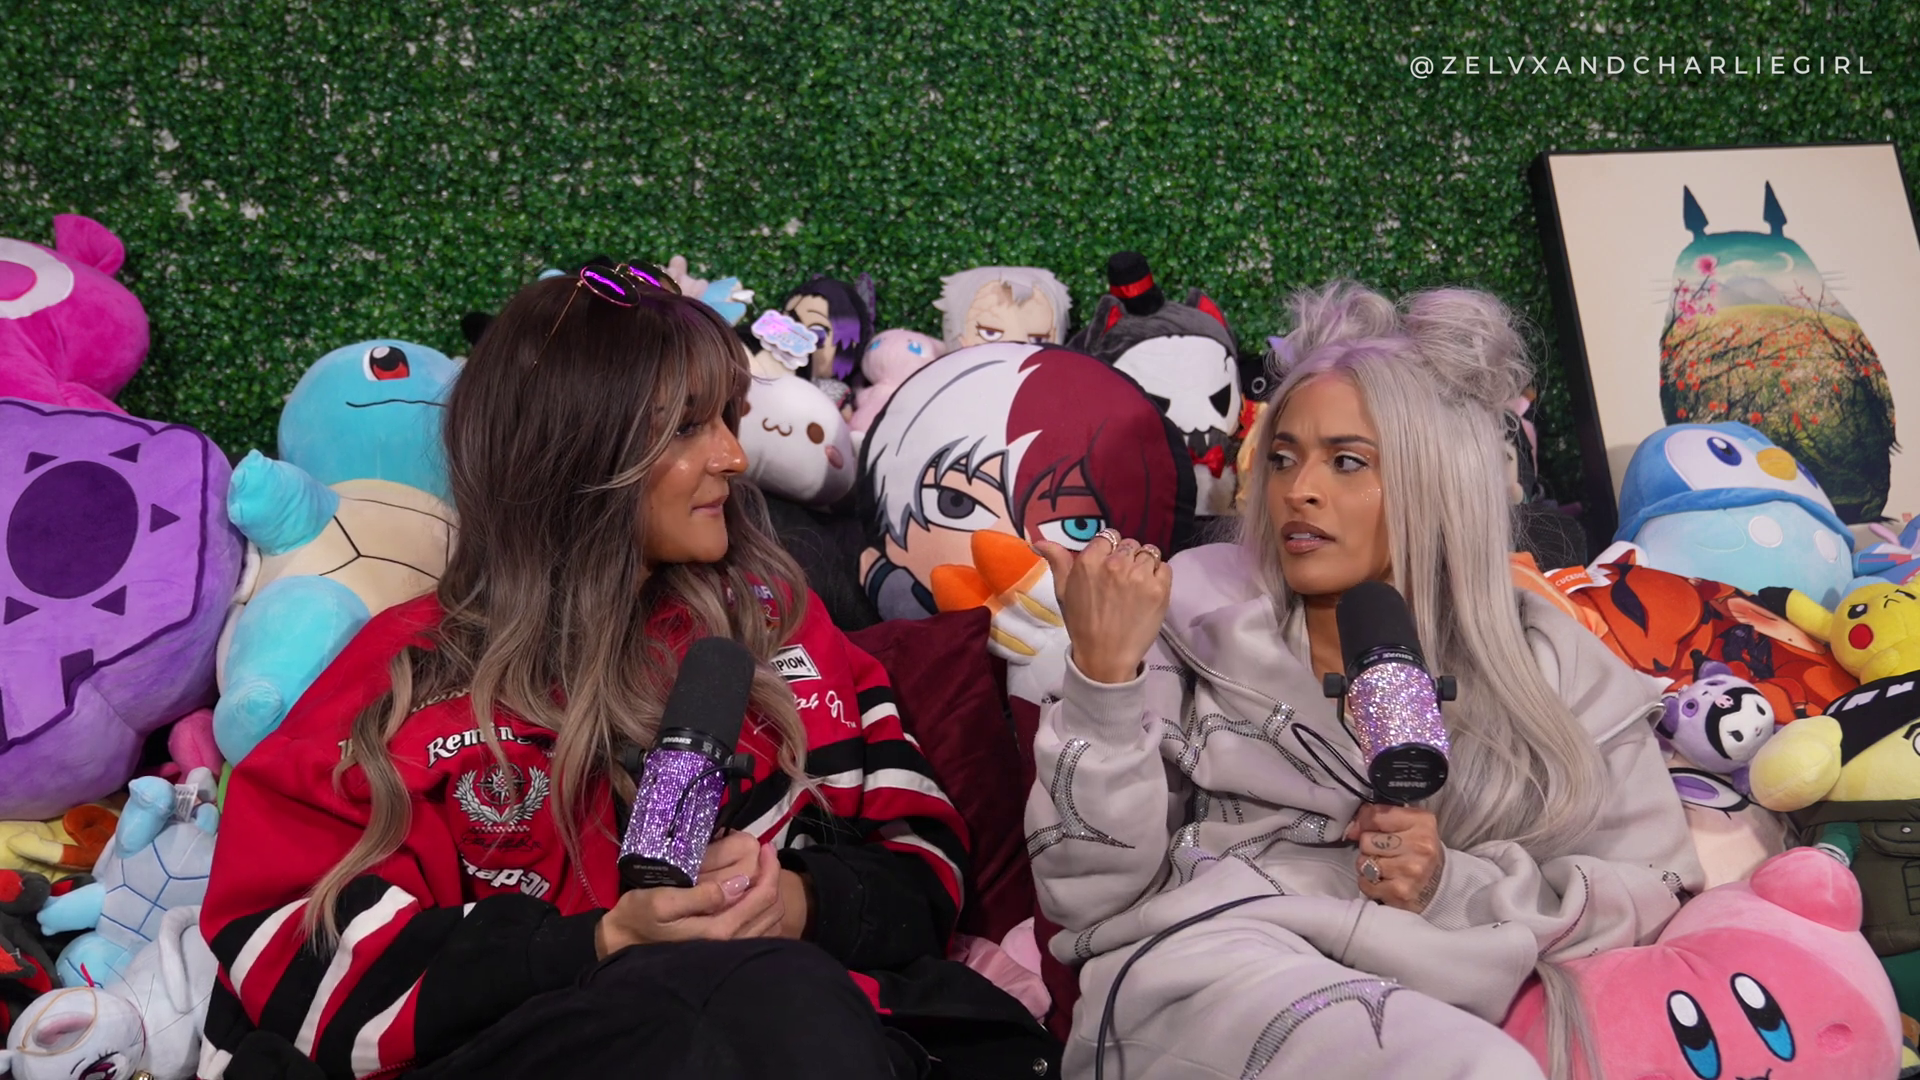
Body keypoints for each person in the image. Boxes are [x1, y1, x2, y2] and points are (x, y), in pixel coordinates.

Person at [199, 263, 1051, 1080]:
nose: (734, 457)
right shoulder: (405, 675)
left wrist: (799, 902)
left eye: (729, 417)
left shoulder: (779, 620)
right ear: (571, 454)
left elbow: (924, 863)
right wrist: (602, 944)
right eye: (687, 427)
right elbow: (283, 956)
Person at [1025, 281, 1704, 1080]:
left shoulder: (1550, 664)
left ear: (1436, 478)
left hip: (1442, 984)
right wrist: (1104, 681)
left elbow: (1657, 886)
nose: (1298, 489)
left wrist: (1450, 884)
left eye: (1347, 461)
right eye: (1283, 458)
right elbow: (1086, 897)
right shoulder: (1188, 617)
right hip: (1204, 973)